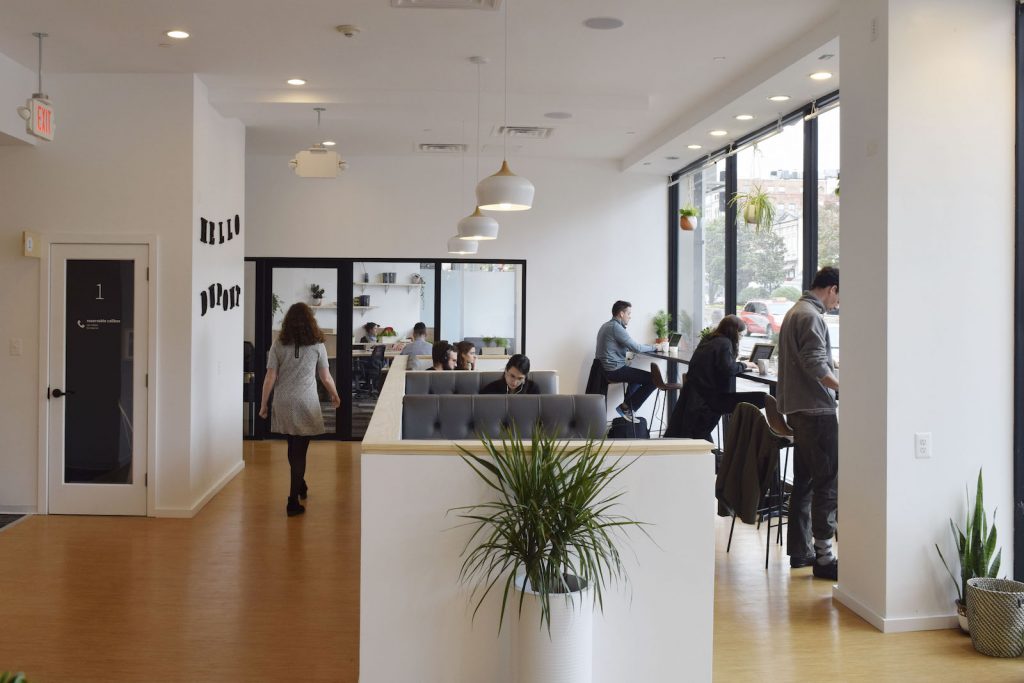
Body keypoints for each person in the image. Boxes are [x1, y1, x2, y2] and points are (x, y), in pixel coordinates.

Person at [777, 266, 840, 580]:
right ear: (832, 288)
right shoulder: (811, 316)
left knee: (804, 482)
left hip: (797, 410)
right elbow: (815, 364)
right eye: (839, 297)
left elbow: (810, 359)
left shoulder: (794, 312)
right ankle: (825, 559)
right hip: (816, 411)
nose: (837, 304)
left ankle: (801, 551)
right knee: (827, 482)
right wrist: (842, 386)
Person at [259, 303, 341, 517]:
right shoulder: (317, 345)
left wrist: (264, 403)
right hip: (306, 401)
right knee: (300, 451)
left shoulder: (278, 344)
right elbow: (325, 377)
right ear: (310, 322)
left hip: (284, 401)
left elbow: (270, 377)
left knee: (292, 446)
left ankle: (300, 483)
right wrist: (334, 394)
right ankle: (292, 500)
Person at [667, 315, 760, 441]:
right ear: (735, 332)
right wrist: (745, 364)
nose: (740, 338)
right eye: (741, 335)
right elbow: (728, 369)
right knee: (762, 398)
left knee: (697, 434)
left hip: (694, 396)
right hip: (708, 401)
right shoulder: (725, 343)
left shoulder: (709, 339)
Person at [595, 300, 657, 422]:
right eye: (628, 313)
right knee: (653, 379)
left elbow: (631, 346)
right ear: (621, 313)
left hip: (604, 369)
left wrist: (646, 347)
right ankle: (626, 407)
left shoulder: (606, 325)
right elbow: (637, 348)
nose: (630, 316)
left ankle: (627, 409)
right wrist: (655, 347)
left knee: (636, 378)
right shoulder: (616, 328)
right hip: (613, 370)